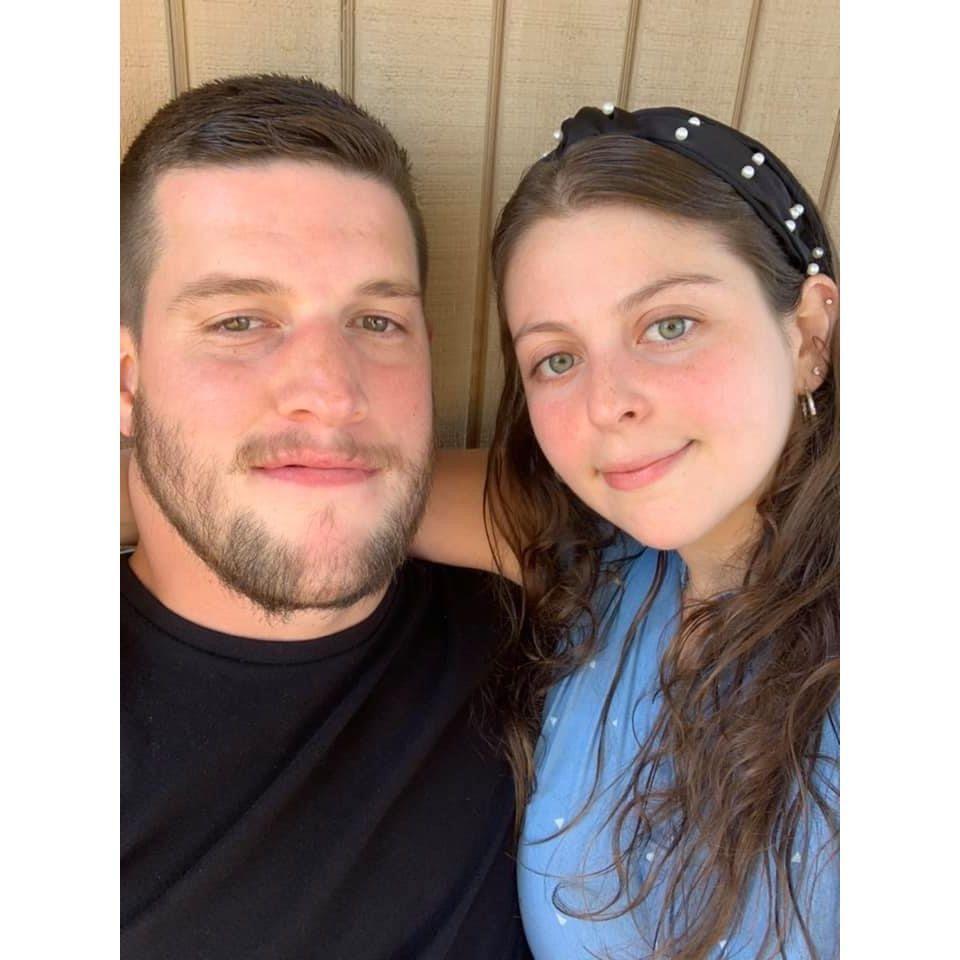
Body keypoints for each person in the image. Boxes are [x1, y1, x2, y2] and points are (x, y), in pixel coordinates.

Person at [120, 100, 839, 957]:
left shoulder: (532, 594)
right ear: (124, 381)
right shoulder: (599, 569)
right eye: (557, 358)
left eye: (669, 325)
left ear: (810, 334)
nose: (610, 403)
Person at [119, 74, 531, 960]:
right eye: (240, 320)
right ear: (124, 380)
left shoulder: (539, 624)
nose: (333, 393)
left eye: (377, 322)